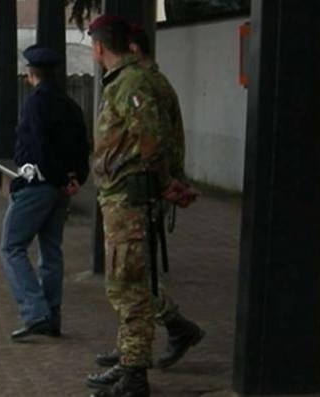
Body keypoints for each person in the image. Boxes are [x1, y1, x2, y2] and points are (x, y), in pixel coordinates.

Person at [84, 16, 200, 397]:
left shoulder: (132, 83)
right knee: (128, 282)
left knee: (127, 286)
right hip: (124, 197)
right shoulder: (130, 80)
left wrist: (169, 184)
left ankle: (134, 375)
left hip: (130, 199)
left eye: (92, 45)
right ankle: (132, 359)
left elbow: (150, 139)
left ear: (100, 47)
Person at [0, 45, 90, 342]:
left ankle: (36, 313)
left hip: (38, 185)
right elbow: (81, 144)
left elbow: (38, 147)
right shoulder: (69, 103)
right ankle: (52, 316)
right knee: (51, 250)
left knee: (12, 247)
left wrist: (53, 177)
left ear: (30, 74)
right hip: (62, 188)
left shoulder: (35, 103)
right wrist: (75, 178)